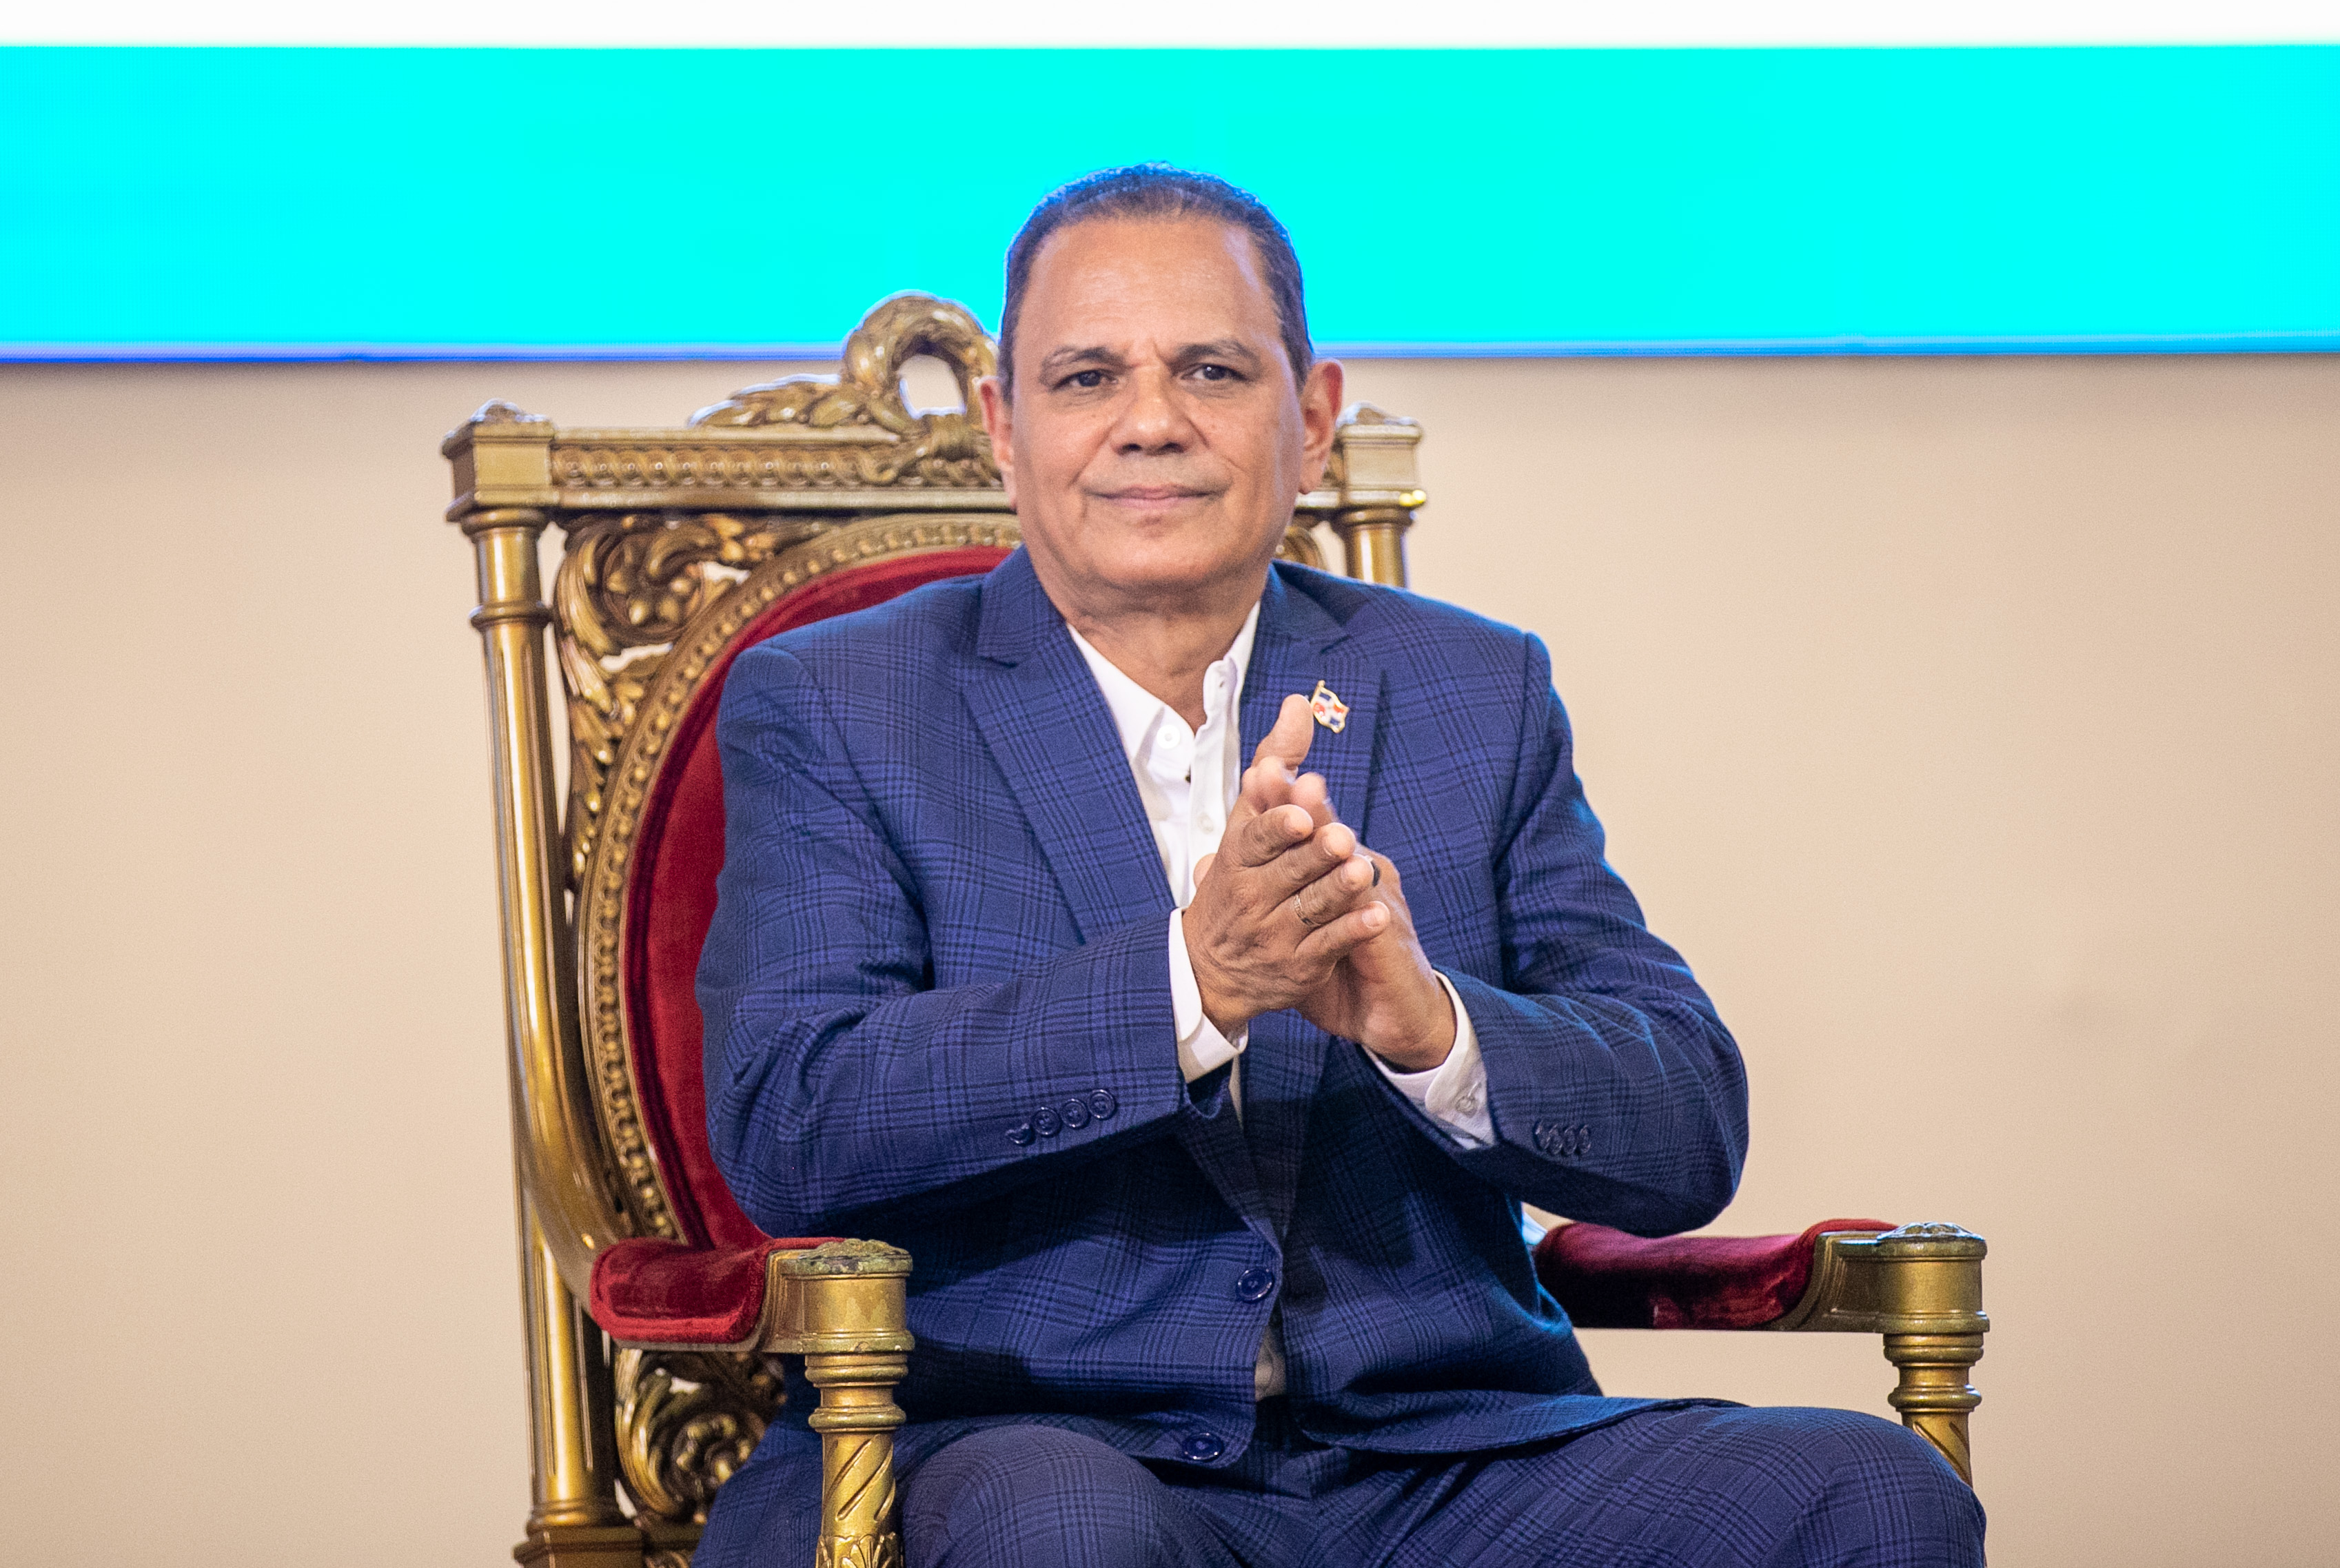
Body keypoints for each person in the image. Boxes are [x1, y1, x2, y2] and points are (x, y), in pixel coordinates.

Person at [692, 165, 1984, 1567]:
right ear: (1005, 428)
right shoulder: (839, 704)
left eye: (1211, 369)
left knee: (1871, 1493)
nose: (1151, 421)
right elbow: (792, 1120)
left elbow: (1686, 1126)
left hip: (1442, 1457)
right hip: (1029, 1441)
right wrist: (1191, 984)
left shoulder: (1468, 689)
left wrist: (1435, 1033)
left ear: (1310, 418)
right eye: (1086, 377)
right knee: (1067, 1531)